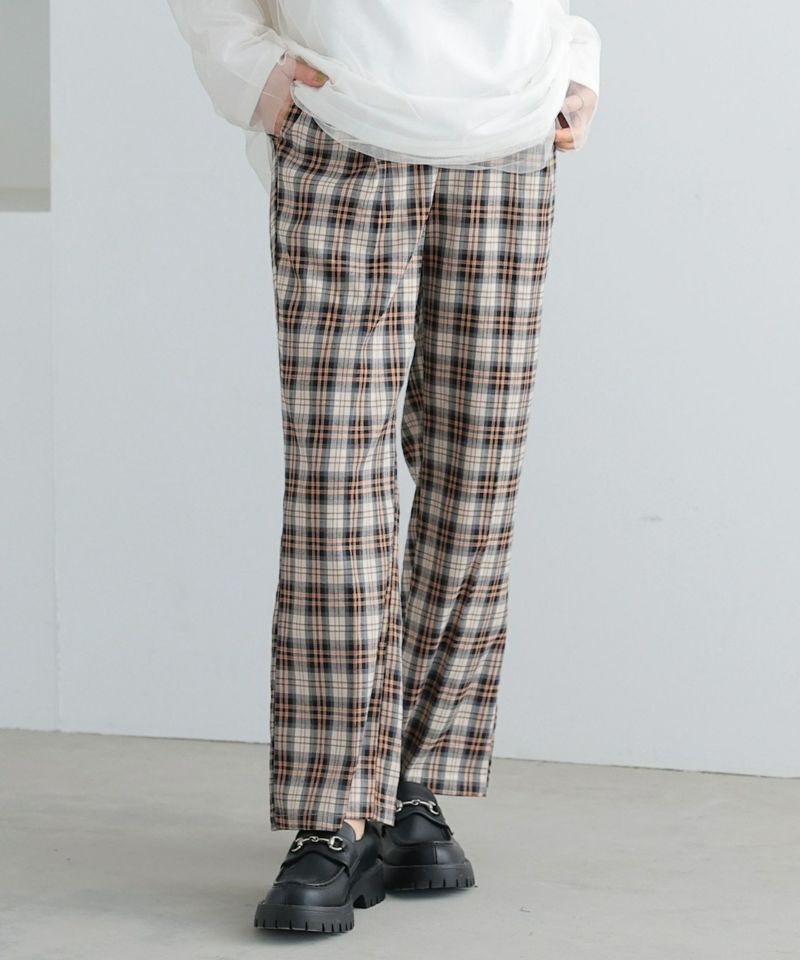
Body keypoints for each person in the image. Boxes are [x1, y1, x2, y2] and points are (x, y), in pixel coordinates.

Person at [166, 0, 600, 935]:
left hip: (511, 139)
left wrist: (575, 58)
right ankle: (331, 811)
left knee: (476, 475)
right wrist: (248, 67)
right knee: (336, 488)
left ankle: (414, 783)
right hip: (346, 123)